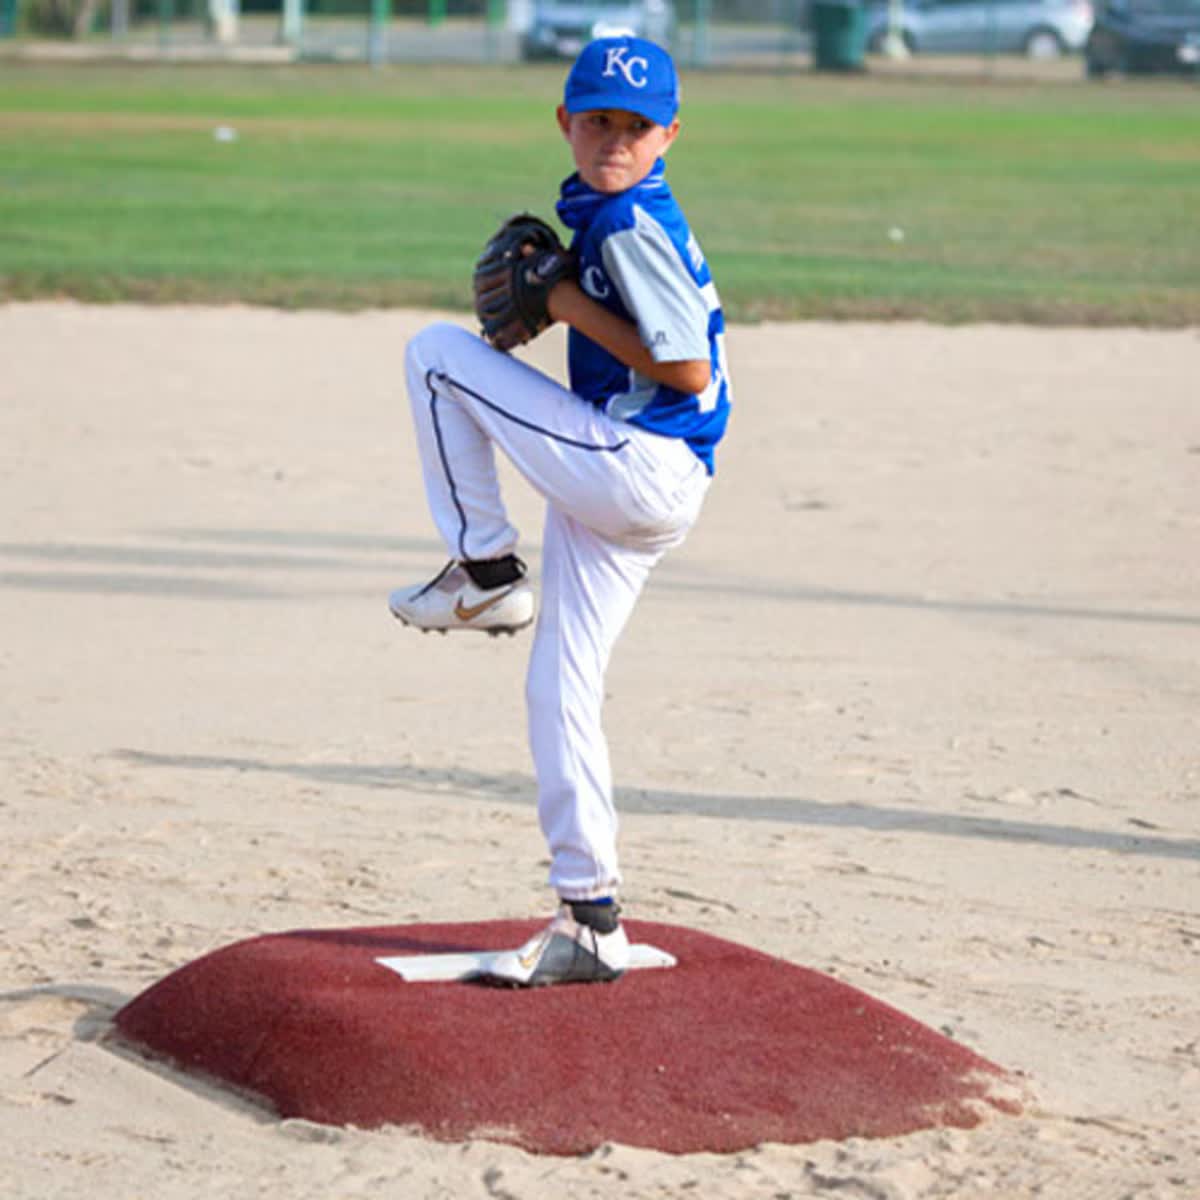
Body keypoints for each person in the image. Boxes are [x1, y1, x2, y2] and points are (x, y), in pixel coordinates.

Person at [389, 35, 732, 986]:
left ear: (668, 134)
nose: (614, 138)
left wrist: (566, 302)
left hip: (638, 463)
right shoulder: (612, 214)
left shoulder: (627, 221)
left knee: (433, 354)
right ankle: (591, 915)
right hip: (640, 473)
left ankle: (486, 569)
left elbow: (687, 367)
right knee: (559, 688)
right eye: (597, 121)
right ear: (565, 123)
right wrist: (560, 296)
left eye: (634, 125)